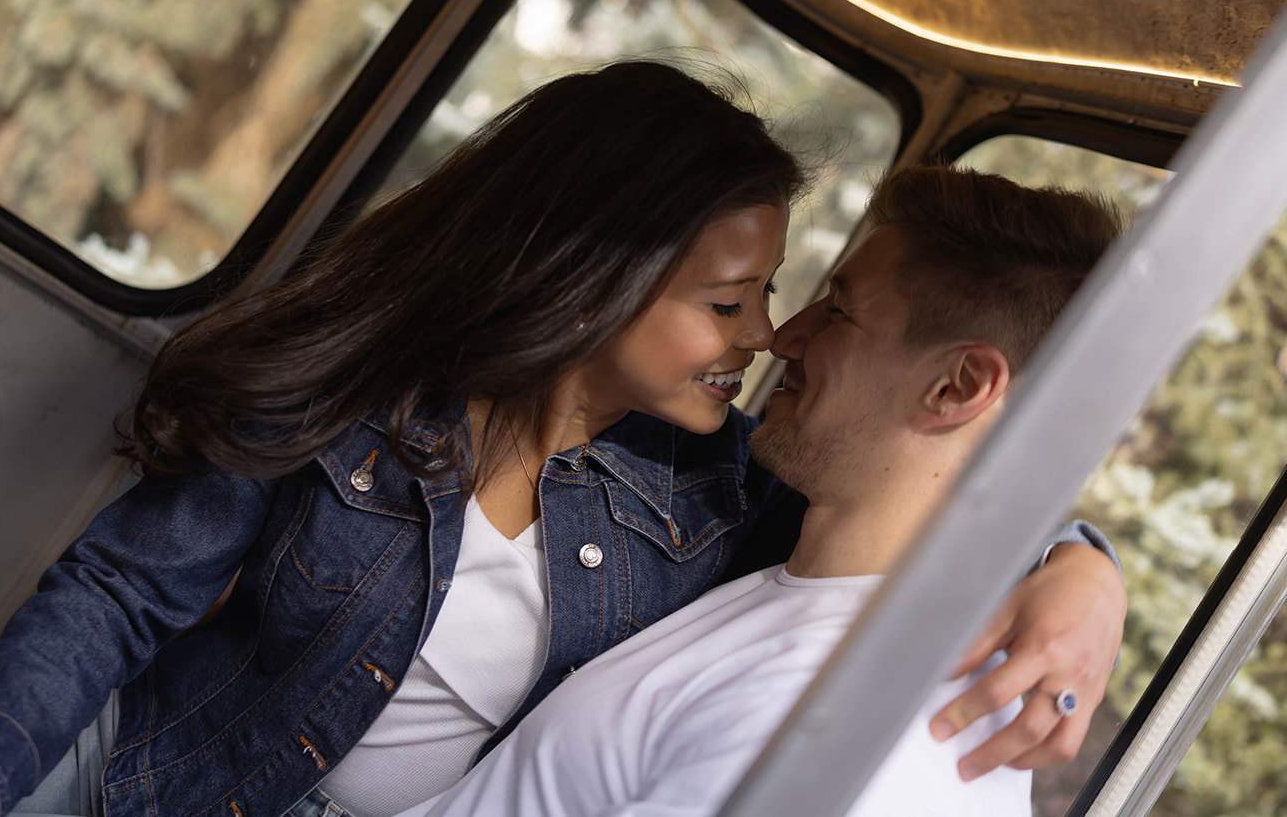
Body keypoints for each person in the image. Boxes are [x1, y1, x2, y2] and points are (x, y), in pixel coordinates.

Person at [0, 66, 1123, 817]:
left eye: (778, 301)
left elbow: (921, 495)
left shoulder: (710, 490)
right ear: (594, 278)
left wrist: (1079, 555)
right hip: (147, 743)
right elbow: (120, 595)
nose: (762, 338)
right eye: (729, 299)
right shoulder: (364, 393)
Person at [392, 166, 1127, 817]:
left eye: (838, 311)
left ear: (958, 386)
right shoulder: (779, 564)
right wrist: (1083, 561)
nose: (781, 335)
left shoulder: (843, 727)